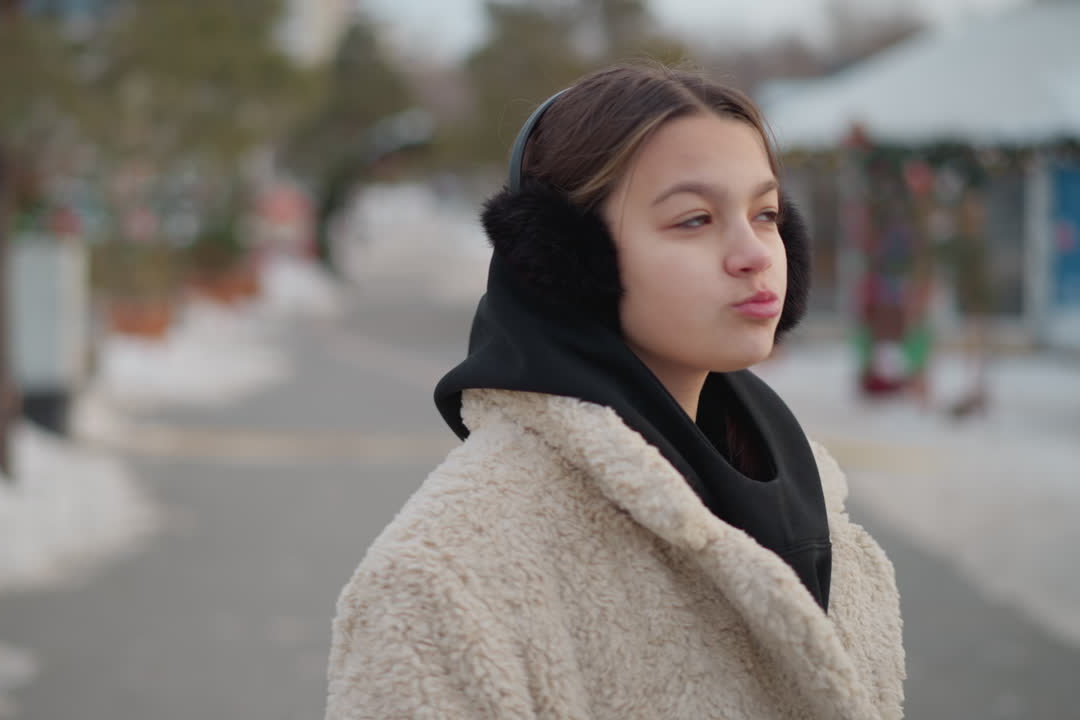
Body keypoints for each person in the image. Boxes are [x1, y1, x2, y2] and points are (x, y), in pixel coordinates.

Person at [325, 62, 904, 720]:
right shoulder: (443, 582)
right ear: (567, 258)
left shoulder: (820, 515)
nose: (755, 253)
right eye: (694, 220)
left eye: (766, 213)